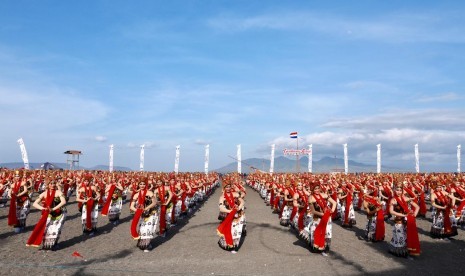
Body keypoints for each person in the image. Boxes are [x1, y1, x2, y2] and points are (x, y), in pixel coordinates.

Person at [26, 178, 66, 250]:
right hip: (48, 214)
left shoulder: (59, 192)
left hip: (60, 213)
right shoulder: (43, 193)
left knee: (56, 229)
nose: (53, 185)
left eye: (54, 183)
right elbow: (34, 204)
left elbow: (63, 202)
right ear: (48, 185)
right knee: (48, 229)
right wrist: (43, 209)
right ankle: (48, 244)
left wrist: (53, 209)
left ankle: (54, 243)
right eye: (51, 183)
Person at [389, 184, 421, 257]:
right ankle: (402, 253)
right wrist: (403, 215)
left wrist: (414, 216)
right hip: (398, 222)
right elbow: (391, 211)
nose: (399, 192)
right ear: (394, 190)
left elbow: (417, 207)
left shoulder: (406, 198)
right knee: (399, 237)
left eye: (400, 190)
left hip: (407, 222)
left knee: (405, 237)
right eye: (397, 190)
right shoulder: (393, 200)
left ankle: (402, 251)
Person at [308, 184, 336, 256]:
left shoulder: (324, 195)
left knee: (327, 232)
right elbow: (313, 211)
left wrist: (331, 211)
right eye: (315, 189)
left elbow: (334, 202)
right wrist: (323, 215)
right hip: (317, 217)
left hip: (327, 217)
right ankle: (315, 247)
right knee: (316, 231)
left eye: (318, 188)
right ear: (312, 190)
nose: (317, 190)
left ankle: (325, 247)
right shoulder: (311, 198)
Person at [217, 182, 245, 253]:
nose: (228, 188)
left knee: (237, 231)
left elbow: (242, 200)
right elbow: (221, 208)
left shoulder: (235, 194)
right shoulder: (222, 197)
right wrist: (230, 211)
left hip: (237, 215)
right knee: (229, 231)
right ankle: (230, 246)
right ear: (224, 188)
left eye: (229, 187)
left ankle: (235, 246)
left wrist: (238, 208)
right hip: (228, 216)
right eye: (226, 187)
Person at [130, 180, 157, 252]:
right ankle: (142, 243)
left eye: (143, 184)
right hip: (141, 214)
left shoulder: (150, 193)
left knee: (148, 229)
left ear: (146, 185)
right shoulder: (136, 195)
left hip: (151, 213)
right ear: (138, 185)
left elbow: (154, 202)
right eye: (140, 184)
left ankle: (147, 245)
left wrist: (146, 209)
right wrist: (138, 211)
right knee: (142, 229)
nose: (142, 185)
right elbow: (131, 206)